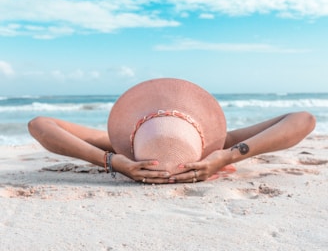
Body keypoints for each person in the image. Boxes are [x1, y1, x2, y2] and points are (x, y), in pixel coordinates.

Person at [28, 78, 316, 184]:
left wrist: (113, 161)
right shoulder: (218, 144)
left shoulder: (122, 147)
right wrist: (226, 156)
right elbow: (303, 119)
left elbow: (39, 124)